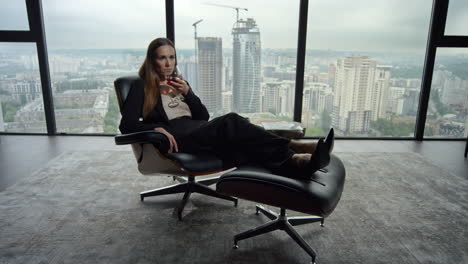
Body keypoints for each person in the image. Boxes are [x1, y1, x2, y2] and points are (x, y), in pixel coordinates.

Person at [119, 37, 334, 178]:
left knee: (243, 141)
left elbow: (203, 115)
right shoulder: (141, 85)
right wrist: (155, 129)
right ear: (152, 61)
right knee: (232, 120)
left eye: (172, 57)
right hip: (177, 140)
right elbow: (126, 125)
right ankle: (295, 146)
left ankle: (296, 164)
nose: (168, 63)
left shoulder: (178, 83)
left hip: (199, 131)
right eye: (162, 58)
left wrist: (188, 93)